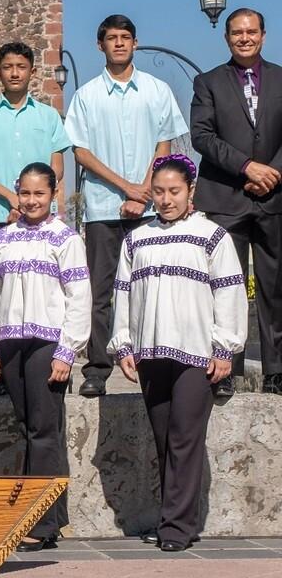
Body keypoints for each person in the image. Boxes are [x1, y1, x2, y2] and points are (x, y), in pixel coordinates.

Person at [110, 155, 247, 551]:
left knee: (186, 437)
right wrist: (123, 343)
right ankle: (173, 515)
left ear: (191, 192)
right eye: (159, 191)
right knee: (163, 438)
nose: (166, 199)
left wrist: (224, 348)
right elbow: (123, 294)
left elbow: (230, 293)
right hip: (151, 351)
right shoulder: (136, 239)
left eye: (174, 191)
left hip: (196, 353)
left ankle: (176, 528)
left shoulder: (211, 236)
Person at [64, 15, 188, 398]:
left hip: (153, 209)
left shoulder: (156, 90)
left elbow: (164, 144)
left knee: (152, 286)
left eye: (125, 37)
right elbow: (81, 152)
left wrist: (147, 192)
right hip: (104, 209)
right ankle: (98, 368)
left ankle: (153, 360)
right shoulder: (86, 96)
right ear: (100, 45)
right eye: (111, 38)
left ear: (136, 43)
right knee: (100, 292)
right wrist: (126, 189)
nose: (119, 43)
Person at [0, 163, 91, 552]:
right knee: (29, 428)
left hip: (47, 343)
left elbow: (79, 299)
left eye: (39, 193)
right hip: (11, 342)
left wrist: (67, 350)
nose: (31, 200)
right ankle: (50, 516)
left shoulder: (65, 239)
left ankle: (40, 523)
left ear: (53, 194)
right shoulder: (3, 239)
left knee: (44, 429)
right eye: (25, 193)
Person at [190, 7, 282, 396]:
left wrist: (272, 172)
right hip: (226, 195)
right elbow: (202, 136)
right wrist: (247, 167)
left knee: (275, 285)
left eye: (251, 32)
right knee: (224, 285)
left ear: (263, 35)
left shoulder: (281, 78)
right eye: (236, 33)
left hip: (275, 195)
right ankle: (227, 368)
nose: (244, 38)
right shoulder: (207, 82)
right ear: (227, 38)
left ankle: (276, 370)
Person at [0, 42, 71, 252]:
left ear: (33, 72)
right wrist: (11, 197)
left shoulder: (49, 116)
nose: (14, 73)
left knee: (43, 277)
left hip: (42, 213)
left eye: (21, 67)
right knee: (1, 279)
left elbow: (57, 168)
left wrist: (30, 197)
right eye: (7, 67)